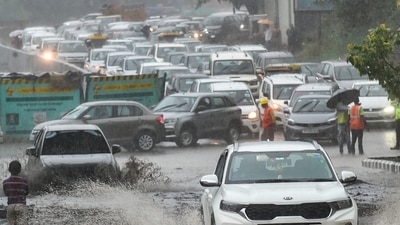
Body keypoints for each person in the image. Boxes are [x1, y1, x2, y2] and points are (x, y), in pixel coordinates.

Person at [3, 160, 29, 225]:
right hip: (21, 205)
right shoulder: (24, 181)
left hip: (10, 206)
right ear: (20, 170)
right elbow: (27, 192)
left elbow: (6, 193)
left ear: (9, 170)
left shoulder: (5, 182)